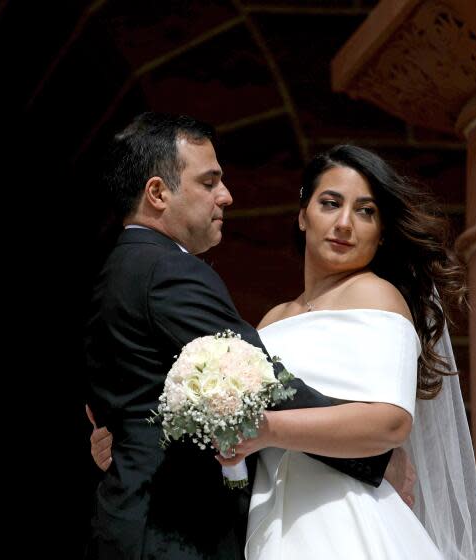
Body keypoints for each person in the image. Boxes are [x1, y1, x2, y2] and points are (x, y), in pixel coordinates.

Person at [84, 114, 405, 560]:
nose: (227, 196)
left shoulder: (121, 267)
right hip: (169, 533)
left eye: (366, 210)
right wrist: (369, 447)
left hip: (250, 516)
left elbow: (143, 395)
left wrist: (127, 433)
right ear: (158, 193)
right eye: (209, 182)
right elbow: (260, 384)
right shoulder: (166, 270)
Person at [216, 145, 476, 559]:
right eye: (330, 203)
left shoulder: (375, 295)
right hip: (271, 517)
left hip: (344, 520)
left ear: (381, 234)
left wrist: (267, 429)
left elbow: (389, 424)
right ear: (303, 214)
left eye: (365, 211)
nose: (345, 223)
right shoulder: (272, 319)